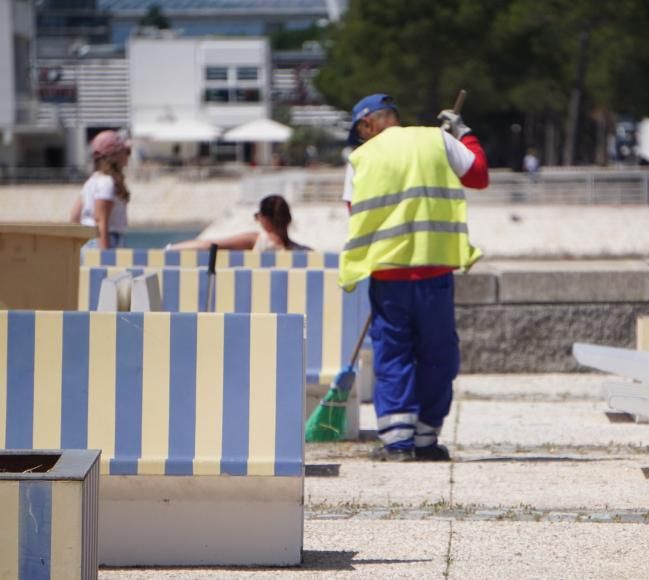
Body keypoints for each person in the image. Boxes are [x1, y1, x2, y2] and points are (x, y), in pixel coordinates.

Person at [339, 93, 489, 462]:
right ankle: (426, 437)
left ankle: (397, 441)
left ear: (367, 125)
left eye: (359, 131)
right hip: (435, 270)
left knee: (393, 356)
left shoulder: (360, 158)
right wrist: (463, 133)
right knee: (437, 354)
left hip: (389, 277)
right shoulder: (437, 139)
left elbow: (353, 211)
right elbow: (479, 176)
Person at [167, 194, 311, 251]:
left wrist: (170, 249)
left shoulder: (257, 241)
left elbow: (210, 245)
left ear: (264, 219)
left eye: (257, 217)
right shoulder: (305, 252)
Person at [70, 130, 131, 249]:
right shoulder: (107, 182)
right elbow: (100, 220)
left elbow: (75, 216)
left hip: (88, 240)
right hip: (107, 239)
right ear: (115, 155)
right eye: (126, 152)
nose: (128, 156)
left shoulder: (91, 181)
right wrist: (104, 256)